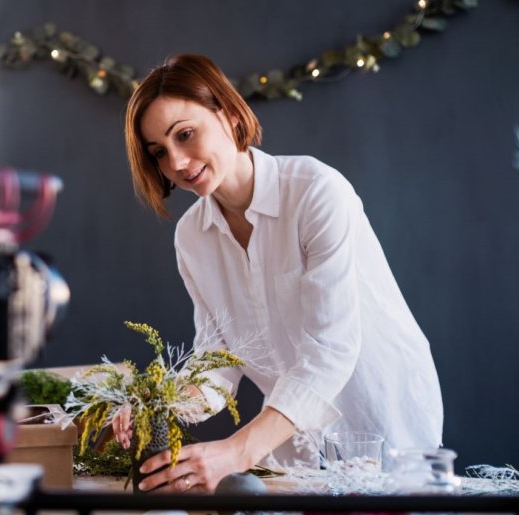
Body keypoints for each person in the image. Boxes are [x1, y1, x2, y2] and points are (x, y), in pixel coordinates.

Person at [115, 53, 443, 494]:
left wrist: (237, 451)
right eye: (159, 152)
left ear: (229, 114)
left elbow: (330, 349)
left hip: (384, 419)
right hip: (294, 441)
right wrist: (160, 403)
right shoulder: (192, 237)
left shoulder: (315, 192)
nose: (175, 162)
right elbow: (219, 360)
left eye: (185, 135)